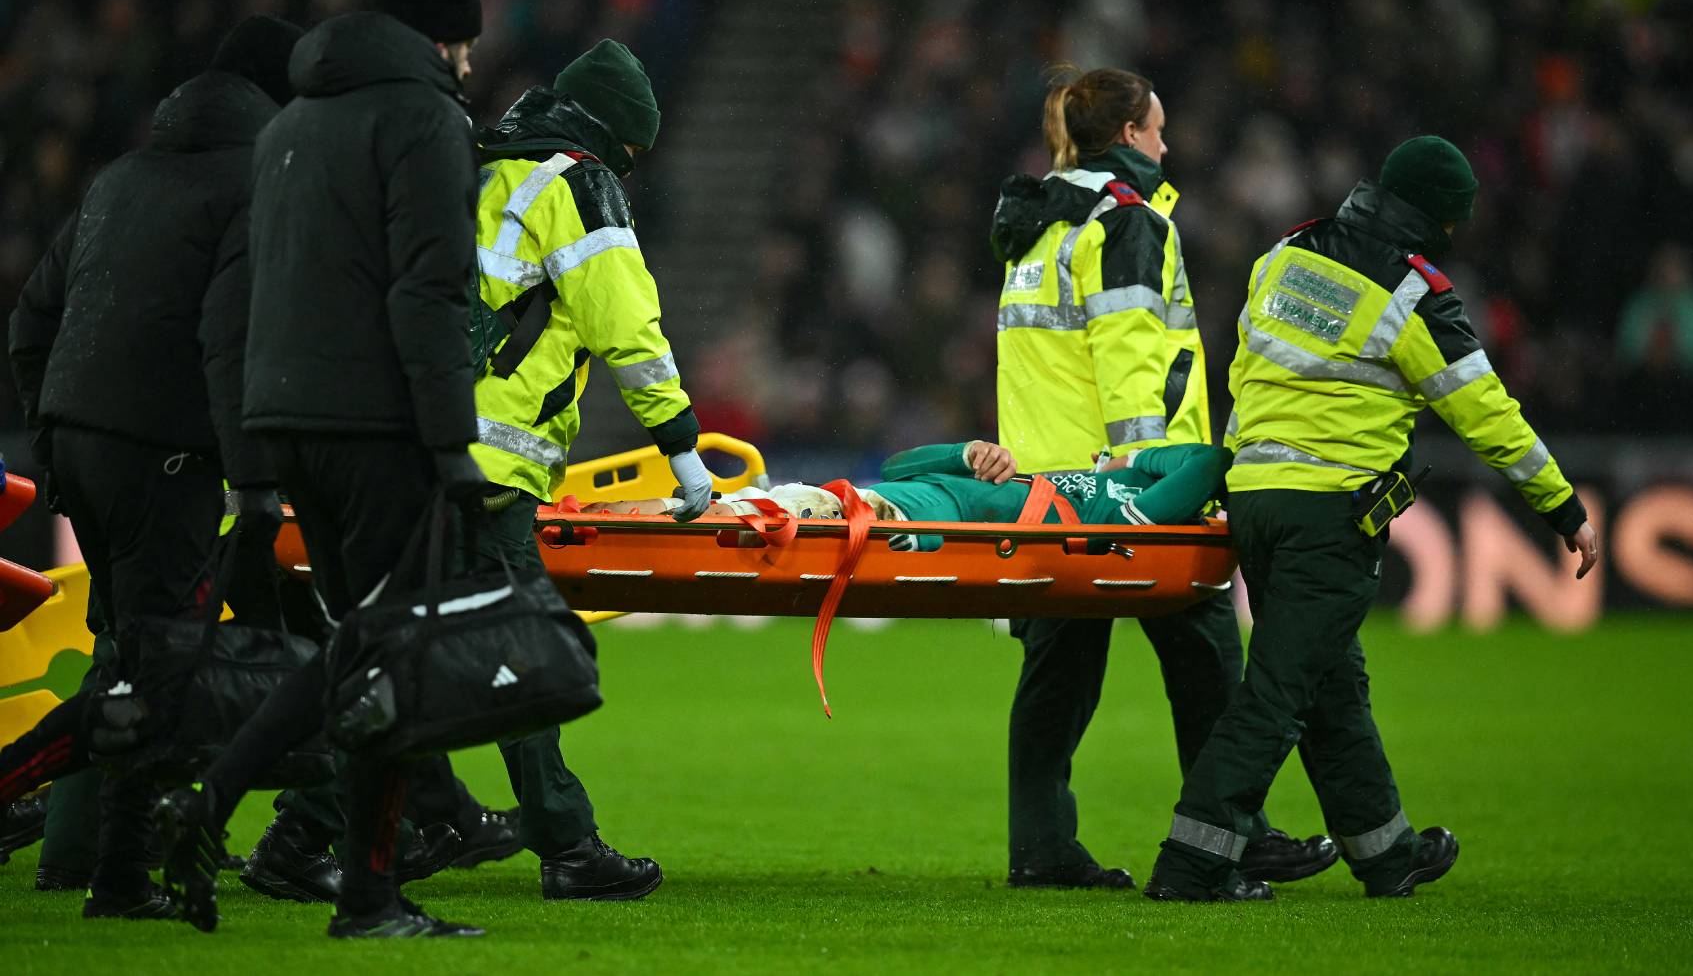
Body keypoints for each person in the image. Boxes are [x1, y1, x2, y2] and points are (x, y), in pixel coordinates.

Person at [1143, 136, 1601, 902]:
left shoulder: (1286, 254)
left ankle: (1388, 855)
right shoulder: (1413, 293)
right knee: (1280, 692)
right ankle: (1190, 863)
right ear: (1441, 217)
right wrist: (1563, 506)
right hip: (1330, 515)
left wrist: (1241, 461)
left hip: (1255, 499)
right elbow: (1487, 412)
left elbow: (1245, 365)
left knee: (1331, 686)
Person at [157, 0, 490, 939]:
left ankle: (210, 799)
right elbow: (429, 292)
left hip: (284, 414)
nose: (469, 66)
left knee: (352, 644)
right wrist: (453, 443)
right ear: (439, 41)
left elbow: (258, 285)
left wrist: (257, 456)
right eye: (465, 47)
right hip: (377, 423)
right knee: (391, 661)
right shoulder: (426, 121)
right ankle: (368, 896)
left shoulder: (292, 124)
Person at [986, 65, 1336, 890]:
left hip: (1046, 488)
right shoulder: (1126, 223)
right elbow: (1133, 357)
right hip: (1134, 490)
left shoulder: (1034, 225)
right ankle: (1231, 833)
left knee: (1057, 676)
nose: (1168, 145)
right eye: (1159, 129)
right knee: (1209, 657)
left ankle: (1040, 846)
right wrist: (1154, 476)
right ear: (1128, 137)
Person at [3, 15, 305, 919]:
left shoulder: (123, 177)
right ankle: (122, 877)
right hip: (164, 454)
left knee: (127, 656)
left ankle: (78, 854)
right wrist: (253, 479)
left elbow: (32, 316)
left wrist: (56, 434)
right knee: (162, 668)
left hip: (83, 444)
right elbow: (226, 337)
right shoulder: (252, 182)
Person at [440, 35, 712, 902]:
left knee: (404, 646)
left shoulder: (484, 170)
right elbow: (627, 329)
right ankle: (566, 842)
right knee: (522, 650)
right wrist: (681, 447)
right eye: (631, 156)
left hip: (414, 444)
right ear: (616, 138)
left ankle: (373, 822)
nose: (627, 173)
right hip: (491, 463)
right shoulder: (577, 183)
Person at [590, 440, 1229, 536]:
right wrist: (965, 450)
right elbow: (898, 463)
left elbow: (1207, 460)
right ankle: (587, 519)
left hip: (885, 517)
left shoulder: (1122, 516)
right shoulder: (1092, 486)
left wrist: (1125, 455)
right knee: (727, 510)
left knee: (719, 514)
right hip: (878, 493)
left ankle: (585, 524)